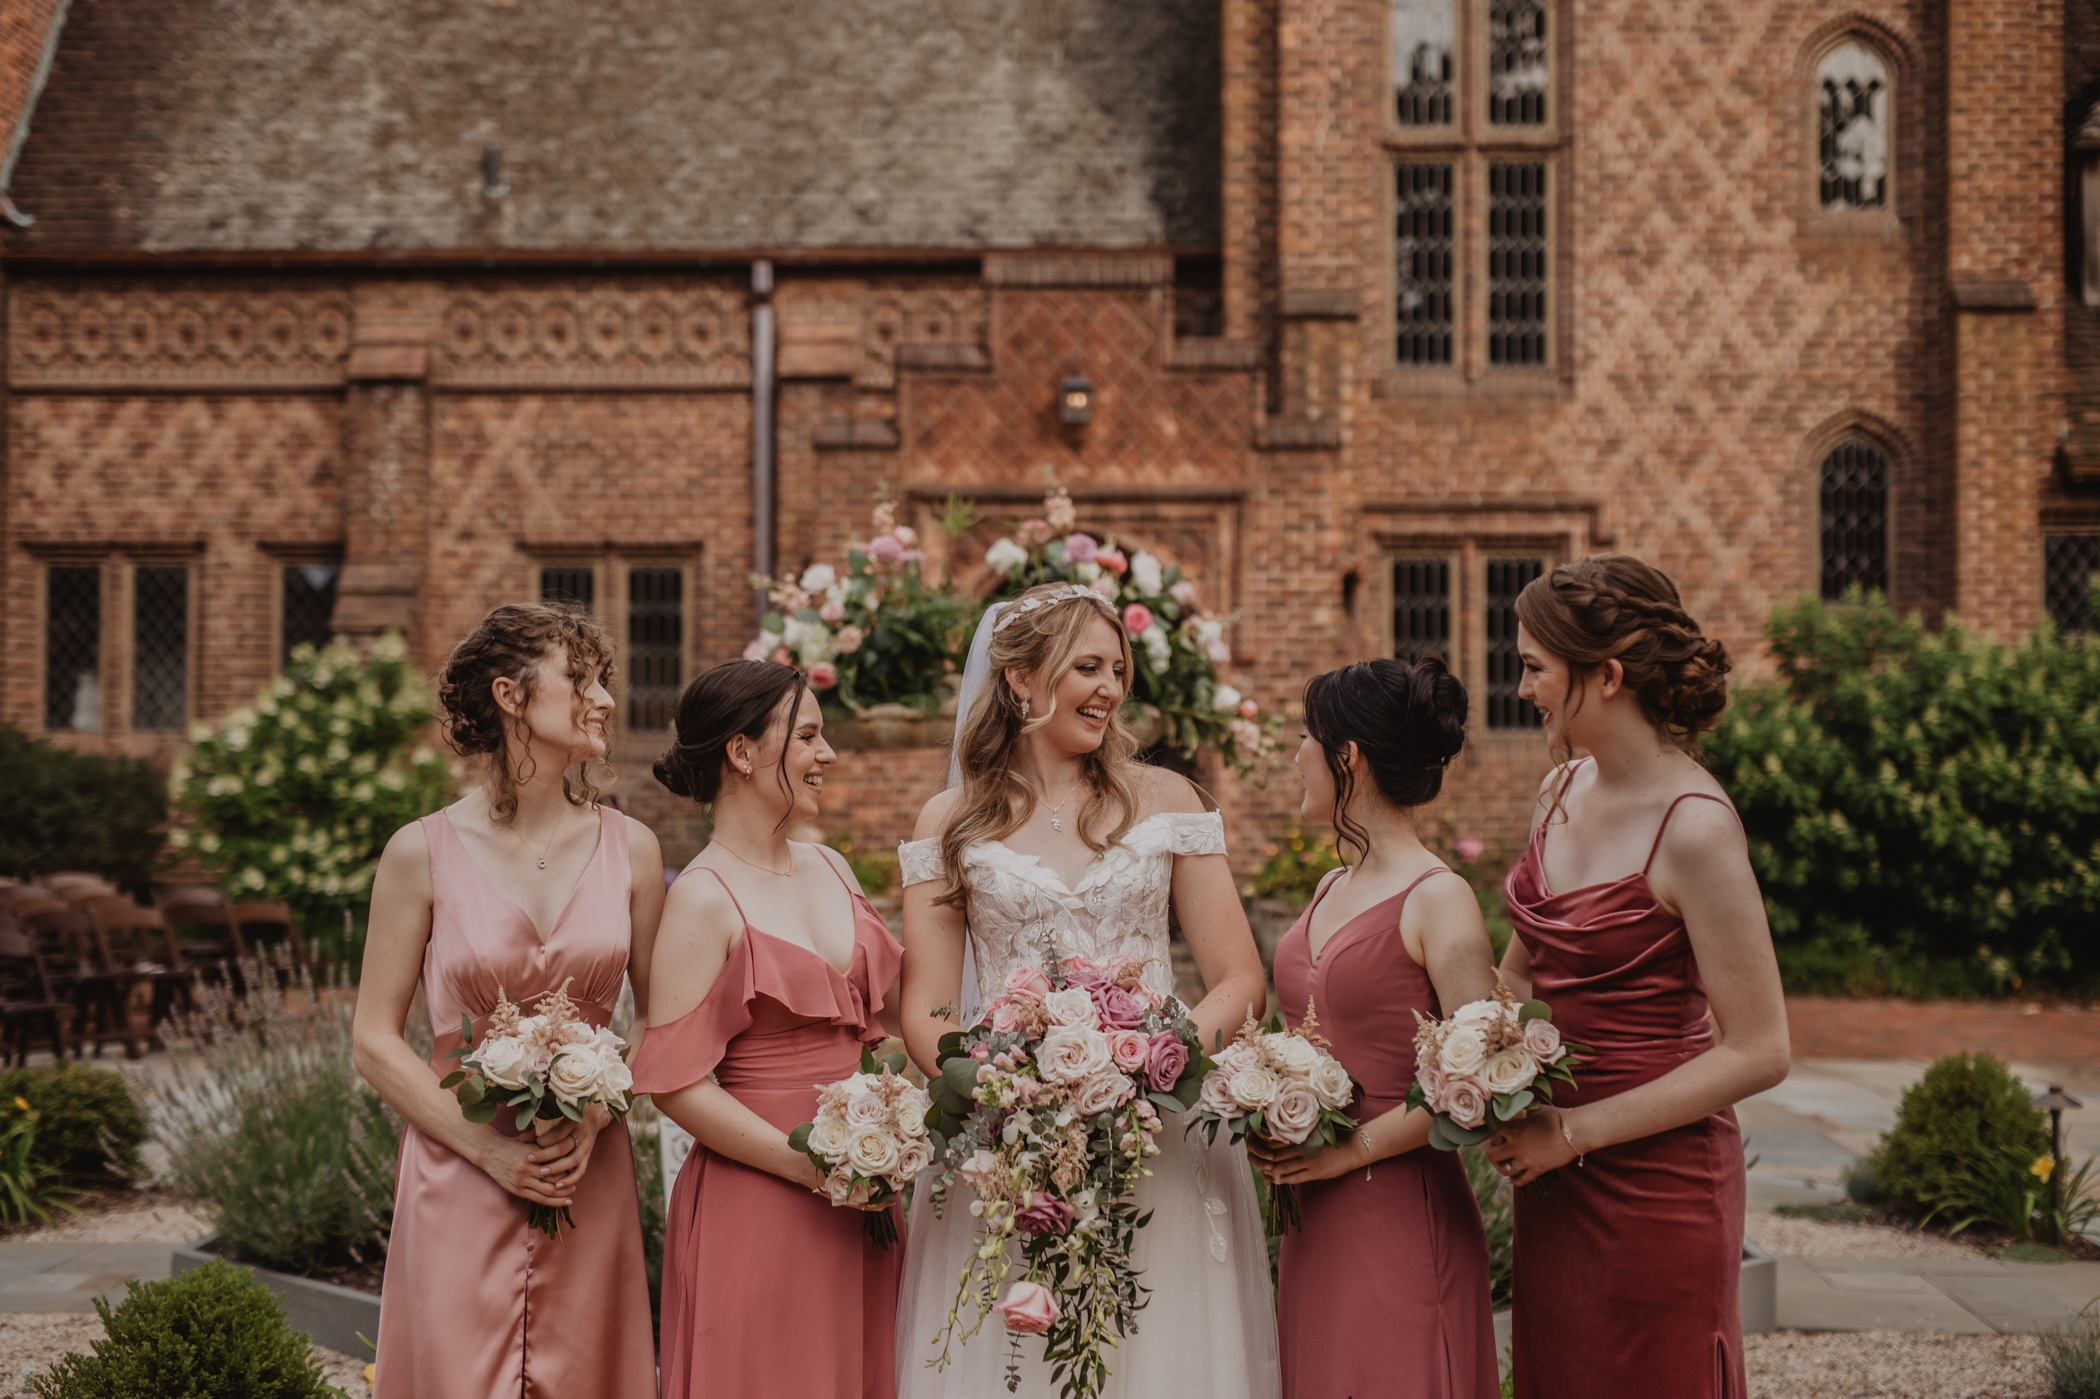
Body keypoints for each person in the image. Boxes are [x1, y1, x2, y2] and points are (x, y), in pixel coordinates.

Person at [892, 582, 1280, 1399]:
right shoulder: (950, 819)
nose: (1110, 687)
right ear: (1022, 679)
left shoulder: (1167, 800)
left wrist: (1152, 1064)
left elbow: (1241, 981)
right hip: (1010, 1154)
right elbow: (927, 1009)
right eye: (1087, 667)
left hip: (1162, 1145)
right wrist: (1007, 1088)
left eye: (1117, 668)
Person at [1483, 555, 1790, 1399]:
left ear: (1607, 675)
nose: (1522, 688)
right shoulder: (1559, 788)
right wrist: (1467, 1062)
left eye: (1535, 667)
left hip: (1659, 1183)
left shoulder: (1695, 828)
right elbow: (1518, 972)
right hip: (1553, 1178)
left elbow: (1762, 1049)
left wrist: (1573, 1133)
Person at [355, 603, 659, 1398]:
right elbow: (374, 1039)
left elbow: (662, 1016)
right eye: (582, 680)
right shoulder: (418, 852)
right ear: (511, 695)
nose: (604, 700)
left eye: (605, 682)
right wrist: (487, 1149)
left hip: (583, 1170)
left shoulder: (634, 850)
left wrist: (598, 1110)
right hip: (460, 1171)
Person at [632, 659, 905, 1399]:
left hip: (864, 1197)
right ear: (742, 752)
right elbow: (677, 1085)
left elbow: (887, 1029)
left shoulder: (834, 867)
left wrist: (896, 1116)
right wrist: (809, 1165)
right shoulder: (701, 898)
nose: (829, 756)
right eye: (809, 736)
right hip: (762, 1198)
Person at [1252, 656, 1501, 1399]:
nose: (1297, 754)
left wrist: (1352, 1149)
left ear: (1348, 757)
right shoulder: (1333, 881)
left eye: (1307, 737)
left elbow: (1479, 1081)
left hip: (1399, 1209)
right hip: (1315, 1215)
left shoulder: (1440, 898)